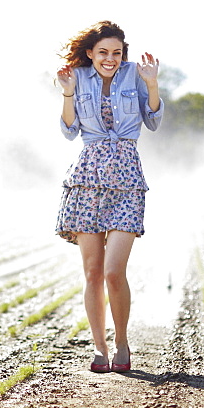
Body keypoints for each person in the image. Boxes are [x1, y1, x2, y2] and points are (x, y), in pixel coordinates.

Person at [54, 20, 162, 373]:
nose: (110, 59)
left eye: (117, 53)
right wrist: (68, 92)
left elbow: (154, 120)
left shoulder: (136, 75)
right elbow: (69, 131)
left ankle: (122, 343)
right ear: (91, 53)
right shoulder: (78, 78)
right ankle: (99, 349)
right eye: (103, 52)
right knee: (92, 271)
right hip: (87, 178)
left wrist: (152, 83)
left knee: (115, 272)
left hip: (127, 178)